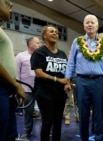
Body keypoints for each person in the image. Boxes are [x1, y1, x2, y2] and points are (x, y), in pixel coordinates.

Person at [65, 14, 103, 141]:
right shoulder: (77, 41)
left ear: (97, 26)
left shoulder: (102, 43)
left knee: (98, 114)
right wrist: (67, 80)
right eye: (87, 22)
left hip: (98, 81)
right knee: (83, 114)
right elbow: (71, 63)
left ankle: (99, 138)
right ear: (84, 26)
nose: (90, 24)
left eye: (92, 22)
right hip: (81, 81)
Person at [30, 25, 68, 141]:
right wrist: (57, 80)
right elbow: (38, 72)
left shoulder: (62, 54)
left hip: (60, 94)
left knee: (58, 122)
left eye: (56, 32)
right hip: (45, 93)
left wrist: (67, 82)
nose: (55, 33)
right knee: (47, 122)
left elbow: (65, 72)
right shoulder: (39, 52)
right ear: (44, 36)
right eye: (51, 31)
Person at [0, 1, 26, 141]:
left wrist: (13, 86)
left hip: (7, 89)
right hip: (1, 90)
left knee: (10, 135)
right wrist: (16, 85)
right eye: (8, 4)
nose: (10, 9)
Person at [15, 36, 40, 139]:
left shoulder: (40, 56)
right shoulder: (20, 56)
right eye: (37, 43)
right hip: (27, 89)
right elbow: (17, 74)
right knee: (28, 112)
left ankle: (48, 130)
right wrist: (18, 89)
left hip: (40, 88)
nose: (39, 45)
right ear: (30, 45)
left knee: (45, 111)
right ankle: (27, 132)